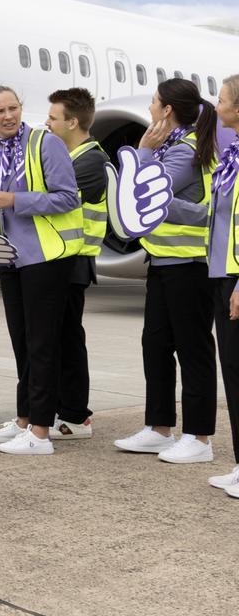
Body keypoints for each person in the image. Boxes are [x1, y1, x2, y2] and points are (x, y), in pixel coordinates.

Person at [113, 78, 219, 463]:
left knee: (193, 350)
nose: (151, 108)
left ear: (167, 111)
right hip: (162, 260)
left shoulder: (186, 151)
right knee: (155, 345)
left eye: (154, 102)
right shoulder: (174, 145)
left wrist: (142, 150)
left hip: (189, 265)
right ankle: (159, 427)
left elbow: (148, 191)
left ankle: (199, 437)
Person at [0, 86, 82, 457]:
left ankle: (40, 431)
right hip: (10, 257)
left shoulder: (45, 143)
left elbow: (68, 196)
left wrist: (18, 201)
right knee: (21, 341)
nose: (8, 116)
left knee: (42, 344)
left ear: (22, 108)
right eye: (0, 111)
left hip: (46, 256)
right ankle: (25, 418)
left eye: (13, 108)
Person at [44, 88, 108, 440]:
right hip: (58, 258)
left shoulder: (91, 161)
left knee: (68, 339)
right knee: (56, 338)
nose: (47, 123)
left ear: (72, 122)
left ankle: (75, 415)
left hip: (74, 261)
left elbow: (57, 203)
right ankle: (56, 408)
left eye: (53, 118)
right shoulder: (69, 158)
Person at [202, 74, 239, 497]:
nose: (216, 105)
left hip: (236, 277)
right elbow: (217, 217)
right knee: (231, 371)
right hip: (220, 273)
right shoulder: (231, 157)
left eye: (222, 99)